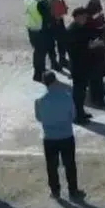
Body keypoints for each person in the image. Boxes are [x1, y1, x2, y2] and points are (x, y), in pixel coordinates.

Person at [34, 70, 84, 200]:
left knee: (51, 165)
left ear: (44, 83)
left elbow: (39, 118)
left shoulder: (39, 101)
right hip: (66, 135)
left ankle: (55, 191)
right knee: (70, 164)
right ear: (55, 81)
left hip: (49, 137)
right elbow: (73, 115)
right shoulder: (67, 97)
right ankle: (73, 190)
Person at [64, 7, 98, 124]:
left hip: (83, 65)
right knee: (78, 93)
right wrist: (90, 46)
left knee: (82, 91)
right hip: (77, 66)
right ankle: (78, 115)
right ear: (77, 17)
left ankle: (81, 112)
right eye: (83, 17)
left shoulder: (80, 27)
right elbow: (74, 50)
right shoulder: (71, 31)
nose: (85, 19)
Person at [83, 0, 105, 107]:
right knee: (96, 70)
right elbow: (91, 27)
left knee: (101, 67)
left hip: (101, 40)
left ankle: (98, 93)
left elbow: (101, 19)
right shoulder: (90, 9)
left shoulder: (97, 5)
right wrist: (103, 29)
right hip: (96, 41)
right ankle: (97, 97)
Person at [25, 0, 51, 82]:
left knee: (37, 51)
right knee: (41, 52)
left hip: (31, 28)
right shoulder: (40, 1)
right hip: (40, 29)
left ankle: (39, 70)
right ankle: (38, 73)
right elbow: (47, 16)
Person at [43, 0, 69, 71]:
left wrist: (64, 6)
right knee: (51, 43)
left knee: (62, 40)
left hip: (59, 18)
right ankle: (54, 62)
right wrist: (54, 16)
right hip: (51, 21)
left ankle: (62, 59)